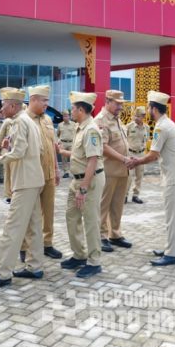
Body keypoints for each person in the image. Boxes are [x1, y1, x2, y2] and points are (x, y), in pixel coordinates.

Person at [0, 88, 46, 289]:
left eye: (3, 104)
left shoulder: (19, 121)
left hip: (25, 182)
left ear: (13, 106)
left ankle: (3, 273)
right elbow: (37, 149)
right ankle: (35, 266)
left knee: (12, 228)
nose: (1, 108)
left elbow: (18, 152)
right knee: (33, 226)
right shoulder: (29, 121)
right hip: (34, 180)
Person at [126, 91, 175, 267]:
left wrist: (136, 161)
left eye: (148, 107)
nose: (147, 111)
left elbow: (153, 155)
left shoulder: (162, 127)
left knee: (174, 216)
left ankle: (173, 254)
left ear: (154, 108)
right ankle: (171, 248)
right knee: (171, 215)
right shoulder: (166, 123)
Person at [57, 92, 105, 278]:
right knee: (72, 216)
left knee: (91, 221)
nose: (71, 112)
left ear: (82, 110)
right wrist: (62, 151)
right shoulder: (80, 128)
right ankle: (79, 255)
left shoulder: (91, 130)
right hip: (76, 180)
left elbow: (92, 161)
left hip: (89, 181)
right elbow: (80, 155)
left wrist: (83, 189)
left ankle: (94, 262)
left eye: (74, 109)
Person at [22, 85, 62, 260]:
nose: (47, 103)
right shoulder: (23, 120)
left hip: (49, 173)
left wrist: (56, 168)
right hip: (31, 176)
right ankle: (24, 247)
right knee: (28, 212)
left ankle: (47, 243)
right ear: (33, 100)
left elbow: (52, 146)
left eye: (47, 100)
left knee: (49, 210)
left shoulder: (47, 119)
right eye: (44, 100)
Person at [96, 90, 132, 253]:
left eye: (121, 104)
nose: (120, 107)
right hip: (108, 170)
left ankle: (115, 234)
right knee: (103, 205)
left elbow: (122, 143)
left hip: (122, 170)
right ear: (108, 101)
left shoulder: (118, 120)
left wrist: (128, 158)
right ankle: (101, 236)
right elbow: (103, 147)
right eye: (117, 104)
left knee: (117, 205)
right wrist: (123, 159)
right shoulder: (101, 120)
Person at [125, 106, 149, 204]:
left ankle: (135, 195)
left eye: (140, 116)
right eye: (136, 116)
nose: (137, 118)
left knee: (139, 176)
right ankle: (125, 196)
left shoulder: (146, 127)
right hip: (130, 153)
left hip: (141, 154)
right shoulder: (129, 126)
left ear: (143, 117)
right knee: (129, 176)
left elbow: (146, 139)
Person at [56, 110, 77, 178]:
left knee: (73, 158)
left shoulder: (74, 124)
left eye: (67, 116)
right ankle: (66, 172)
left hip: (71, 143)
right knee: (64, 158)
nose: (65, 117)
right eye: (64, 116)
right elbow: (58, 134)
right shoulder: (60, 125)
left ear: (69, 116)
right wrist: (59, 141)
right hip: (63, 143)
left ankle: (74, 172)